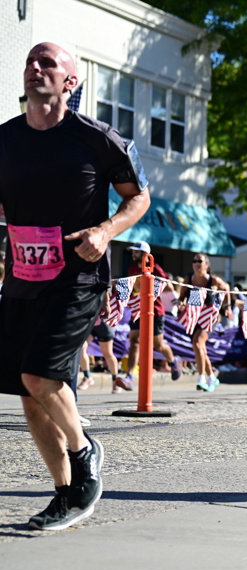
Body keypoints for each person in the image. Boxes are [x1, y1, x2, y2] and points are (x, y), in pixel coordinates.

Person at [0, 42, 150, 530]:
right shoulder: (5, 139)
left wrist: (105, 232)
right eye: (30, 61)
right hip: (22, 278)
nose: (35, 68)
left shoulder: (96, 139)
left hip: (77, 277)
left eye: (47, 63)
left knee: (40, 376)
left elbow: (139, 197)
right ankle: (66, 494)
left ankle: (84, 454)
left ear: (70, 82)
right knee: (29, 393)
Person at [114, 241, 181, 390]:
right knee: (134, 341)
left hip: (155, 311)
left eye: (136, 251)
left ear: (145, 254)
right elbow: (132, 288)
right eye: (132, 251)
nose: (133, 254)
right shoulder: (132, 269)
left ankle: (173, 361)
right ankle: (129, 377)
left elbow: (168, 286)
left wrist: (148, 285)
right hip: (138, 309)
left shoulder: (155, 268)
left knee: (158, 344)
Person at [177, 254, 231, 392]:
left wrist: (227, 306)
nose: (196, 263)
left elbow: (226, 289)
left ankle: (201, 378)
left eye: (199, 261)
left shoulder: (214, 280)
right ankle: (212, 377)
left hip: (209, 317)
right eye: (194, 261)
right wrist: (181, 303)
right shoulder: (188, 280)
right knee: (200, 348)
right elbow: (181, 297)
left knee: (197, 343)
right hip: (194, 316)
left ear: (207, 264)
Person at [78, 313, 121, 393]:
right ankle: (87, 377)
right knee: (81, 347)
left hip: (104, 323)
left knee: (107, 353)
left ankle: (116, 381)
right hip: (91, 322)